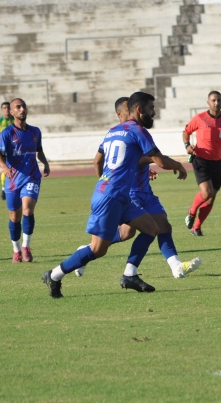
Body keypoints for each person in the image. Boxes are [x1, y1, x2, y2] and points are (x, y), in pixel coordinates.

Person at [41, 92, 188, 299]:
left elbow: (98, 161)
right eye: (151, 109)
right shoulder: (138, 130)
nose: (153, 112)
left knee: (152, 228)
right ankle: (54, 275)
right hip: (111, 197)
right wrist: (179, 166)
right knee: (98, 250)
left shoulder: (113, 131)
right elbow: (160, 160)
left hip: (117, 195)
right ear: (139, 110)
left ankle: (130, 274)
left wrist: (107, 181)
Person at [74, 97, 201, 279]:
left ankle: (176, 266)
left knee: (163, 225)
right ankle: (86, 253)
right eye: (128, 110)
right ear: (120, 113)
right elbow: (110, 160)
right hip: (129, 193)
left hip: (145, 190)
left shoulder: (135, 131)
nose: (132, 114)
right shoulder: (121, 133)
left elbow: (132, 158)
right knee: (126, 233)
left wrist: (145, 167)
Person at [0, 98, 50, 263]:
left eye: (23, 106)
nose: (22, 109)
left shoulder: (35, 132)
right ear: (12, 112)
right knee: (14, 216)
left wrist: (45, 163)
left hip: (32, 176)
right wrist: (5, 168)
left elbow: (39, 151)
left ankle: (26, 246)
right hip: (13, 180)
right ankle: (16, 249)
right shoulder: (6, 134)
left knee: (27, 210)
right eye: (18, 107)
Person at [183, 91, 221, 236]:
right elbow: (186, 131)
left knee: (211, 197)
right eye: (213, 100)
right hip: (200, 159)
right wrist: (187, 146)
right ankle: (191, 211)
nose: (216, 103)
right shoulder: (200, 118)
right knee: (206, 192)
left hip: (216, 162)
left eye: (219, 100)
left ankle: (196, 227)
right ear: (208, 102)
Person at [0, 101, 14, 200]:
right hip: (4, 150)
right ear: (2, 110)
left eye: (8, 108)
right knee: (6, 168)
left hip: (14, 150)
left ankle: (12, 188)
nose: (7, 110)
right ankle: (4, 188)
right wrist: (3, 141)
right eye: (4, 108)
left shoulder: (15, 120)